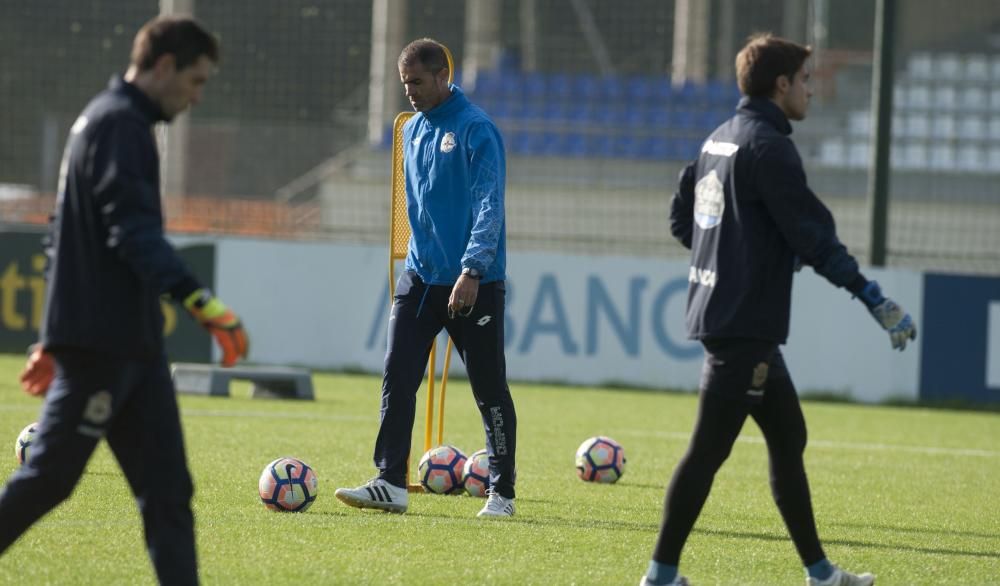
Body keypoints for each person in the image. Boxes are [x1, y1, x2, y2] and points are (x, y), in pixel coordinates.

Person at [641, 34, 916, 586]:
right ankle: (660, 575)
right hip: (744, 322)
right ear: (781, 84)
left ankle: (820, 573)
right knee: (706, 451)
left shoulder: (719, 139)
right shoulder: (769, 146)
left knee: (788, 437)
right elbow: (813, 237)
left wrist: (741, 254)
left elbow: (683, 221)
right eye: (807, 81)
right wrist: (872, 297)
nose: (813, 91)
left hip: (739, 319)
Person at [0, 16, 248, 585]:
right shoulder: (119, 126)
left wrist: (54, 331)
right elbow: (130, 231)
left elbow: (62, 231)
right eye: (196, 81)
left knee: (167, 492)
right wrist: (200, 302)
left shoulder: (109, 119)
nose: (197, 97)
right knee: (48, 479)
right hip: (104, 348)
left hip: (130, 346)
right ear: (164, 66)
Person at [335, 38, 516, 518]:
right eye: (404, 83)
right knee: (398, 374)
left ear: (442, 76)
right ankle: (390, 481)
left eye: (417, 81)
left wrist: (472, 268)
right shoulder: (411, 130)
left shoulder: (477, 129)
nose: (410, 91)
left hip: (473, 281)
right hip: (420, 276)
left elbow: (488, 204)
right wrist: (418, 263)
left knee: (488, 387)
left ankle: (502, 493)